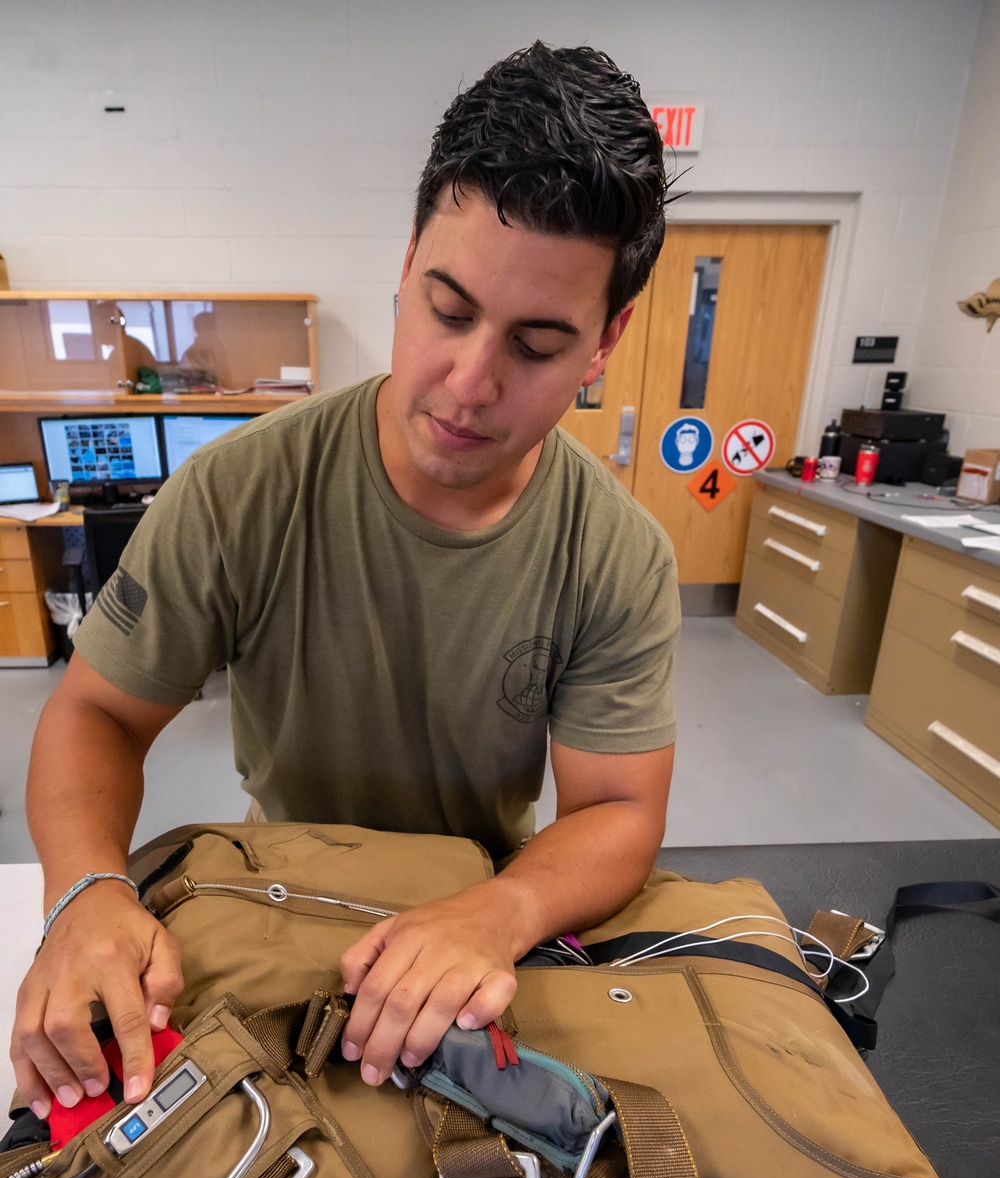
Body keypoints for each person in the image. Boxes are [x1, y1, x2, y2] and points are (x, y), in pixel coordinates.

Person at [11, 42, 680, 1122]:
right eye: (448, 309)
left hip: (480, 928)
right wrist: (85, 890)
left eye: (539, 343)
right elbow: (94, 711)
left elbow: (616, 808)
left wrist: (499, 909)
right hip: (277, 898)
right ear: (408, 256)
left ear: (605, 340)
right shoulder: (240, 490)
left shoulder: (616, 552)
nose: (469, 383)